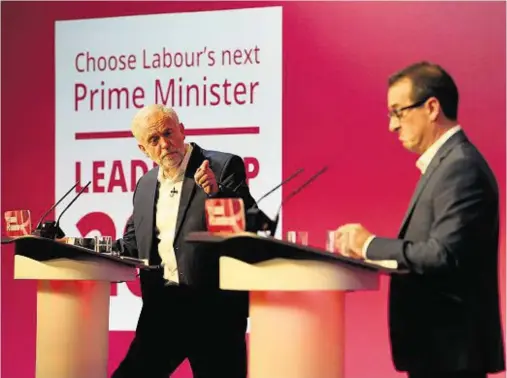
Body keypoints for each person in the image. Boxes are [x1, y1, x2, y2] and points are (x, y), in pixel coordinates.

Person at [334, 62, 505, 378]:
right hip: (438, 353)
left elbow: (443, 255)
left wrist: (369, 245)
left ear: (431, 107)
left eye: (398, 112)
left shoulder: (461, 168)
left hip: (451, 356)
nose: (392, 126)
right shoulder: (447, 165)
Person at [111, 104, 256, 378]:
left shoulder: (222, 166)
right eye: (154, 139)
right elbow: (130, 245)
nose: (165, 144)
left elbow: (249, 223)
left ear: (182, 131)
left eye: (168, 133)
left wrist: (217, 193)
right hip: (164, 309)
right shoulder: (144, 185)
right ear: (143, 149)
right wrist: (73, 244)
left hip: (214, 311)